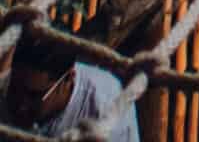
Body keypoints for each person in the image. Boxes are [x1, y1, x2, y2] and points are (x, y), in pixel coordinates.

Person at [3, 29, 140, 142]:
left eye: (34, 96)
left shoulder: (107, 104)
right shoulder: (5, 87)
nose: (21, 105)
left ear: (68, 78)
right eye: (15, 89)